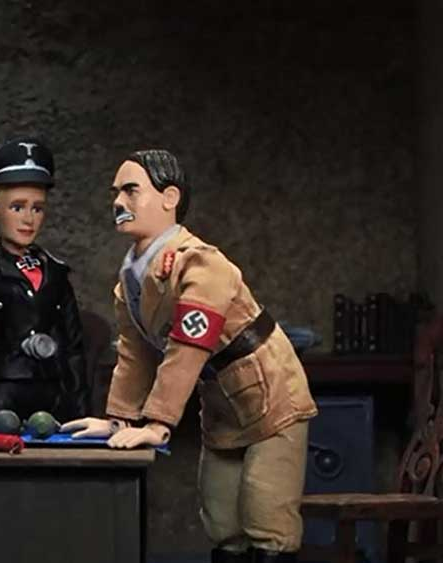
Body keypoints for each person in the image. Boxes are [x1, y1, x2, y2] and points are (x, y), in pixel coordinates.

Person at [62, 149, 317, 563]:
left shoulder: (201, 264)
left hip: (271, 396)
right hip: (221, 404)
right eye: (116, 193)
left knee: (267, 520)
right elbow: (135, 354)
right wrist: (118, 419)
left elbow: (189, 345)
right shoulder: (132, 278)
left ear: (170, 197)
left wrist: (158, 423)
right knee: (222, 521)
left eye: (131, 190)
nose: (118, 202)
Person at [0, 137, 87, 426]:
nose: (28, 219)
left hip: (55, 394)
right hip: (4, 394)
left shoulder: (56, 273)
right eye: (17, 207)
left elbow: (74, 347)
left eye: (38, 208)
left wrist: (82, 415)